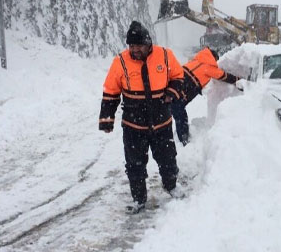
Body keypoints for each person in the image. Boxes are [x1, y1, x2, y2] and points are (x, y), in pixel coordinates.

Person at [99, 21, 184, 213]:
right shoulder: (120, 62)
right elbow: (111, 91)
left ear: (148, 43)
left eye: (139, 46)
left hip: (161, 122)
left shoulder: (165, 55)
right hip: (133, 126)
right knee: (135, 164)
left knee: (168, 158)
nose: (135, 50)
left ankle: (171, 186)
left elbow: (178, 76)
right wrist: (106, 118)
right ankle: (139, 199)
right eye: (131, 46)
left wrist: (172, 91)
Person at [172, 46, 240, 145]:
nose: (216, 62)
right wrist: (238, 80)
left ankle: (180, 136)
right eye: (216, 60)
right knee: (180, 114)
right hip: (184, 88)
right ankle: (183, 140)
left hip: (176, 83)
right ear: (213, 58)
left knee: (175, 111)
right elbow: (223, 76)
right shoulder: (208, 66)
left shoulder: (196, 61)